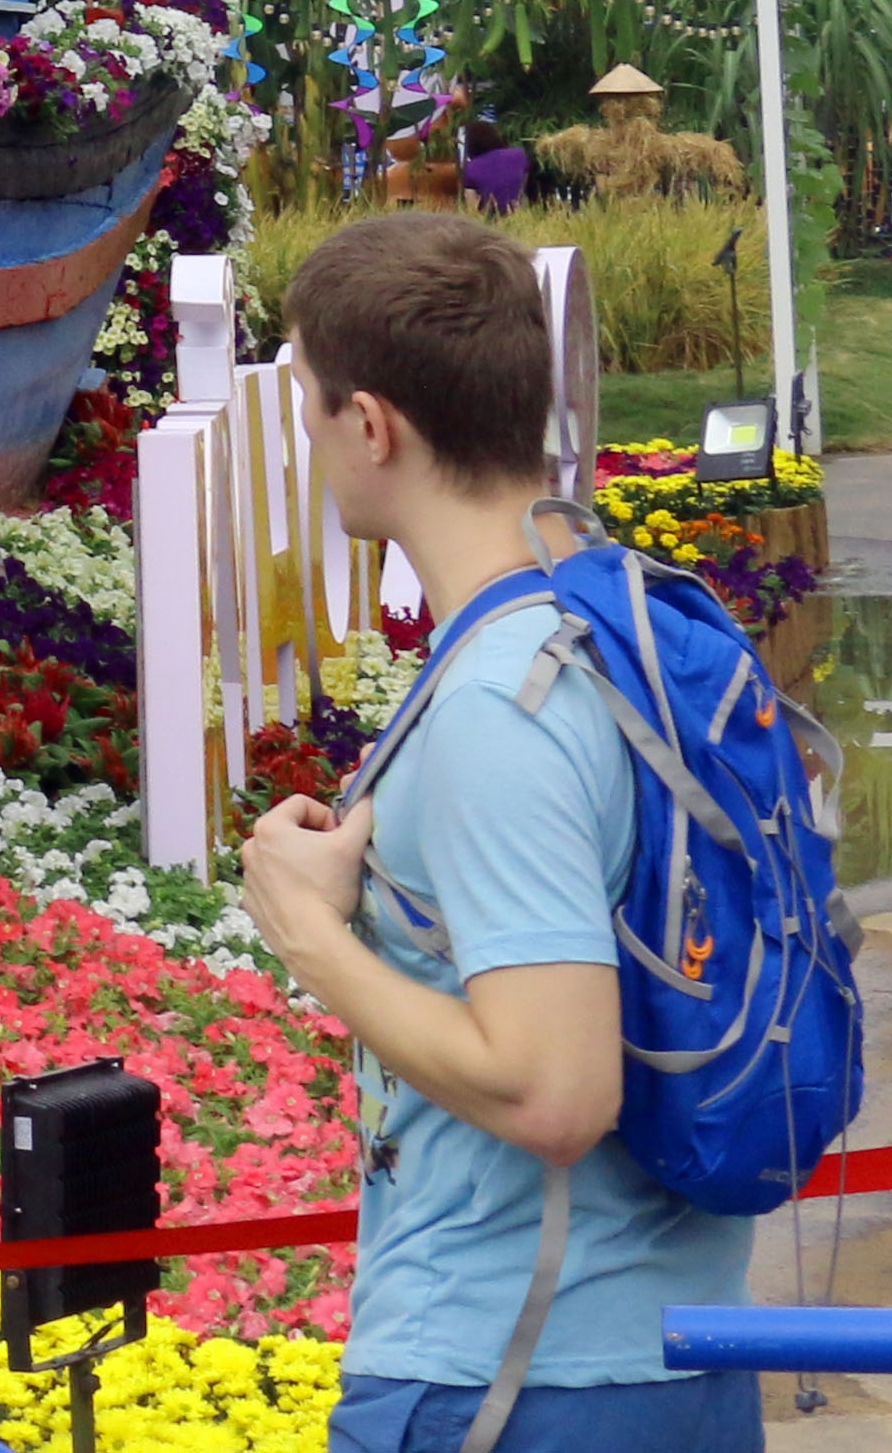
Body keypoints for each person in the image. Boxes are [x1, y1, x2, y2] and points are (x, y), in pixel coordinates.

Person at [239, 213, 761, 1453]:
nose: (313, 444)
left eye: (308, 408)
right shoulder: (634, 624)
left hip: (507, 1371)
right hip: (675, 1344)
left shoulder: (499, 705)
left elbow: (554, 1087)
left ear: (372, 426)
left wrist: (312, 934)